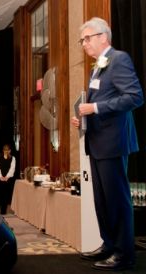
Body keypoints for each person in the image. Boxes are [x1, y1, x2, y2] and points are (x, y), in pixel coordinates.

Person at [71, 17, 143, 271]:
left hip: (113, 143)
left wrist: (95, 107)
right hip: (97, 142)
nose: (84, 44)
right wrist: (83, 118)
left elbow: (135, 97)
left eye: (86, 38)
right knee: (102, 200)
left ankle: (124, 254)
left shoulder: (119, 59)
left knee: (117, 199)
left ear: (104, 37)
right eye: (82, 40)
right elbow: (100, 101)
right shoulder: (98, 66)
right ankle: (109, 244)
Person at [0, 144, 16, 215]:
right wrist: (0, 176)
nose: (6, 152)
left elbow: (12, 168)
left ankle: (3, 211)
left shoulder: (13, 158)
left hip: (7, 179)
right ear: (3, 150)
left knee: (5, 196)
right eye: (5, 150)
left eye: (8, 150)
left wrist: (7, 177)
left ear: (10, 151)